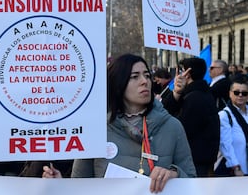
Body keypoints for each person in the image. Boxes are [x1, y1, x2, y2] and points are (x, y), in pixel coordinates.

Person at [43, 54, 196, 193]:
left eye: (147, 75)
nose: (144, 81)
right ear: (118, 83)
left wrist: (173, 174)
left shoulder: (172, 127)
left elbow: (192, 180)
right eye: (135, 76)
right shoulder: (96, 129)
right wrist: (59, 185)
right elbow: (79, 186)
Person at [163, 57, 220, 177]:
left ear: (187, 73)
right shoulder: (199, 93)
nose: (177, 74)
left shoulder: (194, 98)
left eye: (180, 70)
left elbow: (179, 128)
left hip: (194, 160)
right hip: (199, 157)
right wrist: (176, 94)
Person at [217, 77, 248, 176]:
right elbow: (225, 144)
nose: (240, 95)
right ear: (230, 94)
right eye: (236, 92)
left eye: (244, 93)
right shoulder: (224, 115)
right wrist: (236, 167)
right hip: (235, 170)